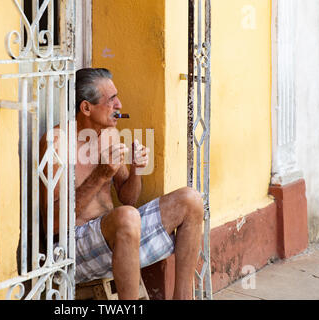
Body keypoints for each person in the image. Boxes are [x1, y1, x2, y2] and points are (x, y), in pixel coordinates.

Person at [39, 68, 204, 300]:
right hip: (73, 249)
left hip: (119, 240)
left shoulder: (109, 135)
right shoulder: (56, 143)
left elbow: (129, 198)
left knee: (191, 200)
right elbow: (54, 225)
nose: (119, 104)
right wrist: (100, 175)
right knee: (126, 216)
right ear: (86, 108)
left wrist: (136, 170)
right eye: (111, 100)